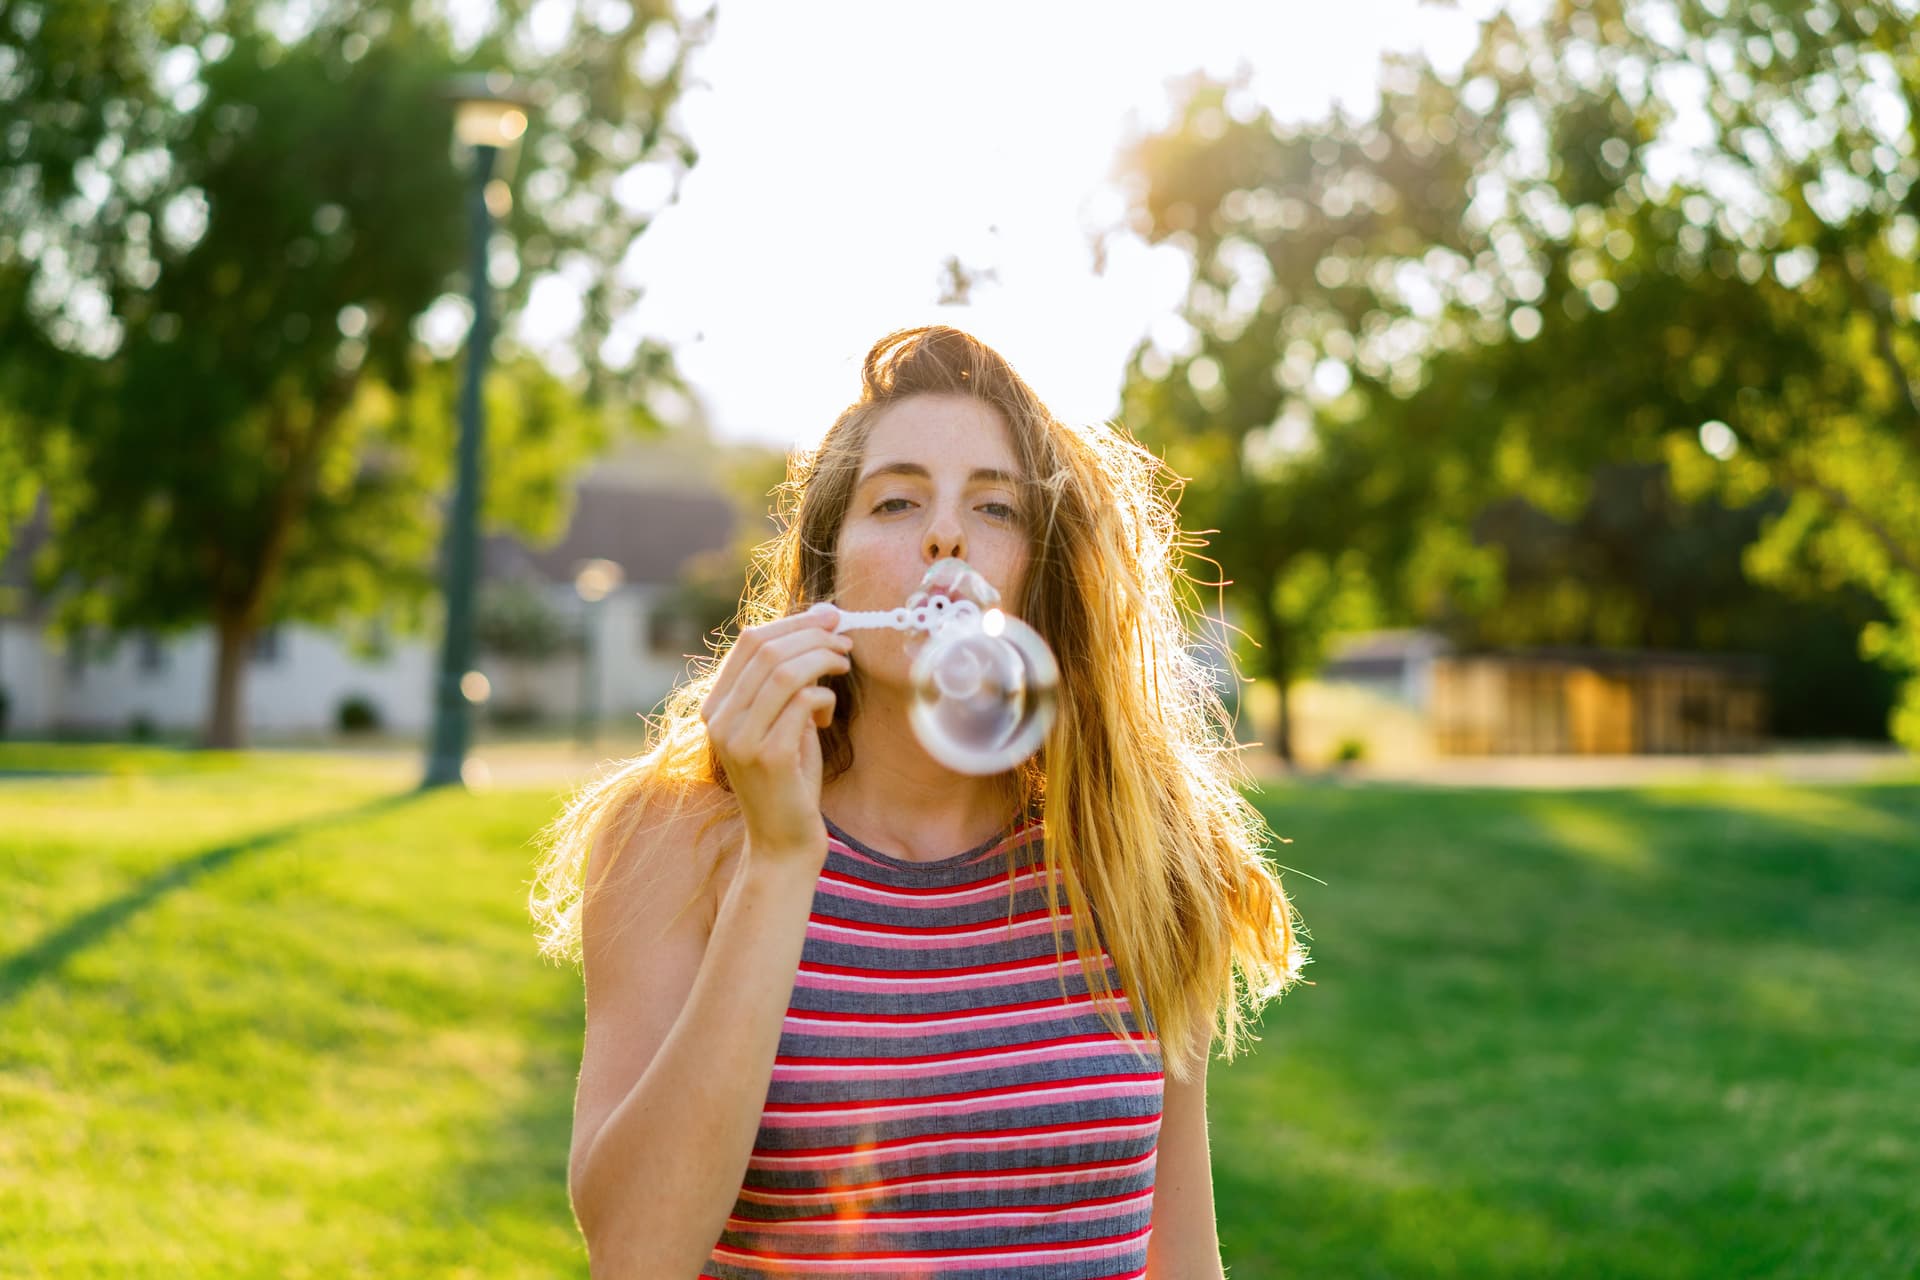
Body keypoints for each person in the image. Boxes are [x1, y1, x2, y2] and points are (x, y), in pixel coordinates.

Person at [531, 325, 1307, 1279]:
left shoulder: (1132, 844)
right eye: (896, 501)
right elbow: (635, 1257)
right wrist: (780, 860)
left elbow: (1183, 1258)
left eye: (995, 507)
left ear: (1040, 579)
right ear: (826, 575)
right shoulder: (679, 838)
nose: (946, 535)